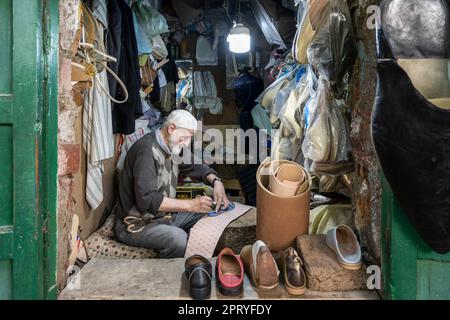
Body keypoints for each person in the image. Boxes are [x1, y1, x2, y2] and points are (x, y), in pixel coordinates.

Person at [113, 110, 229, 258]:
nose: (186, 143)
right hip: (137, 224)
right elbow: (147, 200)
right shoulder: (146, 151)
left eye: (189, 138)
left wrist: (216, 181)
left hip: (163, 217)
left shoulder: (173, 146)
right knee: (178, 238)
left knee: (211, 208)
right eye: (185, 137)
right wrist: (190, 205)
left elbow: (197, 166)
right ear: (171, 129)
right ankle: (171, 274)